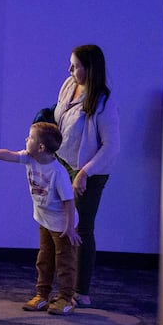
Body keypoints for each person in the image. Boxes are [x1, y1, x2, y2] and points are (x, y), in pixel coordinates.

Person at [0, 121, 81, 315]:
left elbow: (69, 201)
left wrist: (70, 227)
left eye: (30, 137)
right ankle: (42, 295)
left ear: (41, 147)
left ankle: (66, 298)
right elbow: (10, 154)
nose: (26, 139)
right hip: (44, 220)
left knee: (64, 262)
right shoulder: (30, 158)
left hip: (62, 225)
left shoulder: (58, 173)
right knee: (44, 258)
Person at [53, 44, 121, 306]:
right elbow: (59, 118)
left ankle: (81, 290)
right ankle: (61, 285)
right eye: (70, 64)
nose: (70, 69)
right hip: (63, 162)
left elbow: (111, 147)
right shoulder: (68, 86)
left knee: (82, 226)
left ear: (89, 69)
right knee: (57, 224)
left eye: (75, 65)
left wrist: (84, 172)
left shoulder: (105, 103)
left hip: (90, 171)